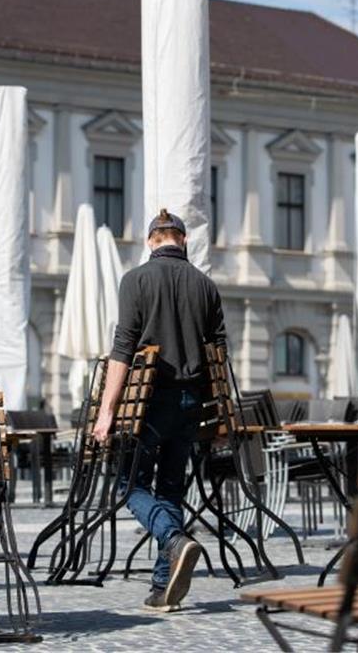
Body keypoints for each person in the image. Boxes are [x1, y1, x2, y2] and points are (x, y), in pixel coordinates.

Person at [93, 208, 227, 612]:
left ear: (152, 240)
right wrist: (223, 414)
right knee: (171, 488)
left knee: (127, 485)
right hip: (192, 402)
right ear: (182, 240)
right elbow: (218, 355)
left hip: (147, 403)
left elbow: (123, 348)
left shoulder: (134, 280)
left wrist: (106, 410)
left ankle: (173, 539)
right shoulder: (206, 286)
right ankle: (161, 587)